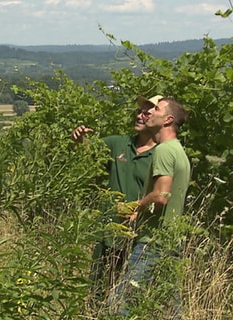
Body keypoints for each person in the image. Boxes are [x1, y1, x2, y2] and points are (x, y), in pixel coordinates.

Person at [71, 97, 159, 299]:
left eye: (146, 113)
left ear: (160, 120)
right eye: (139, 111)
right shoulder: (118, 143)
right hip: (108, 233)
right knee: (97, 291)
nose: (139, 116)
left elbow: (161, 194)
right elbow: (87, 152)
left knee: (130, 296)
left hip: (138, 238)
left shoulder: (160, 154)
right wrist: (78, 139)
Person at [111, 96, 191, 316]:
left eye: (156, 109)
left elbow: (161, 195)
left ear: (168, 119)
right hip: (170, 238)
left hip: (153, 241)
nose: (148, 112)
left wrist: (134, 207)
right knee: (171, 307)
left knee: (120, 302)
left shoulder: (163, 151)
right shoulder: (178, 150)